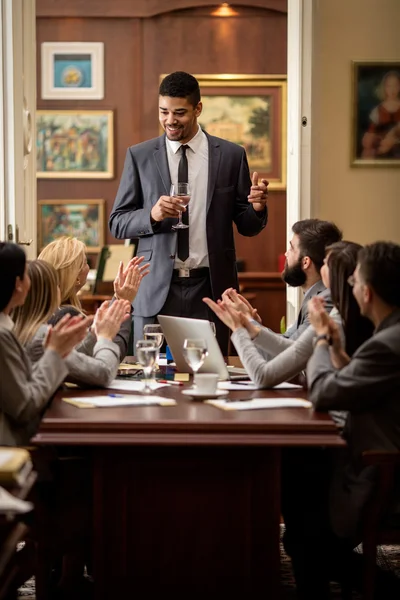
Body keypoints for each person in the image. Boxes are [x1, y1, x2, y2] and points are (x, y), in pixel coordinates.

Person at [108, 71, 269, 353]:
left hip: (211, 290)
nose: (170, 120)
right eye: (163, 112)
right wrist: (152, 215)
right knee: (151, 380)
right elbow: (118, 222)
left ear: (198, 109)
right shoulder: (140, 155)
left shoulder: (231, 156)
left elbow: (247, 225)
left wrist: (256, 208)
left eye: (179, 113)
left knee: (213, 377)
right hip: (155, 288)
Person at [283, 241, 400, 599]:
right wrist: (336, 349)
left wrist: (319, 338)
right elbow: (361, 382)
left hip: (383, 478)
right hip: (379, 462)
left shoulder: (387, 344)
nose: (348, 288)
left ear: (366, 291)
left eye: (353, 282)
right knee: (297, 475)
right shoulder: (389, 333)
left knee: (301, 520)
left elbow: (321, 392)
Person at [203, 241, 373, 389]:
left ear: (337, 275)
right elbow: (295, 351)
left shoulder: (330, 318)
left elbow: (263, 376)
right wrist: (251, 328)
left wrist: (239, 330)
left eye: (326, 263)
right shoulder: (342, 310)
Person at [0, 242, 91, 446]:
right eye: (26, 275)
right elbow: (24, 407)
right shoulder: (3, 336)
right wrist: (54, 353)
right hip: (19, 447)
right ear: (18, 284)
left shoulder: (10, 326)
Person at [12, 260, 131, 387]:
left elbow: (73, 360)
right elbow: (103, 374)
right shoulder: (43, 337)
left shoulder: (18, 329)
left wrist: (94, 333)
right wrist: (105, 337)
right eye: (57, 285)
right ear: (49, 294)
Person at [38, 236, 148, 359]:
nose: (88, 267)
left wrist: (119, 298)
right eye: (85, 263)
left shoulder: (47, 312)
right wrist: (124, 302)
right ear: (76, 277)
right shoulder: (68, 316)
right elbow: (113, 352)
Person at [361, 70, 400, 159]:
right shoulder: (377, 110)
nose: (392, 89)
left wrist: (393, 140)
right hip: (381, 146)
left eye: (396, 85)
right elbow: (371, 132)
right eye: (389, 86)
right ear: (384, 88)